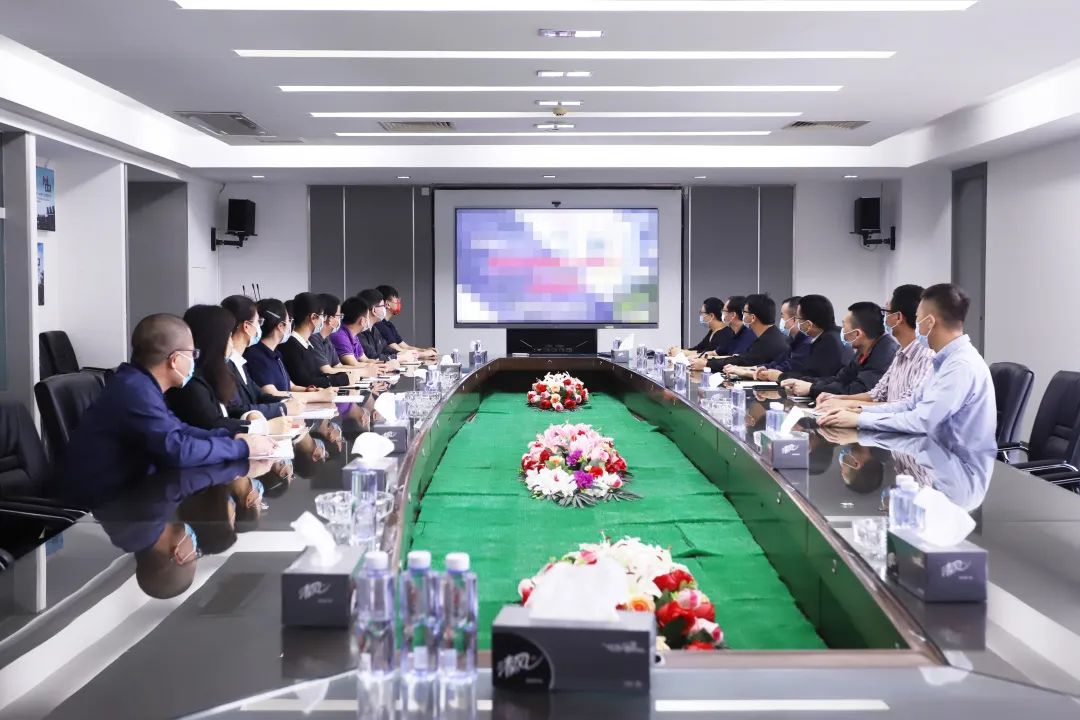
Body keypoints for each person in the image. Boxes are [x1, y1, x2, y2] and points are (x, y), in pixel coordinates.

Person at [53, 314, 275, 499]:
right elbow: (177, 450)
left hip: (129, 494)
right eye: (192, 354)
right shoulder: (135, 391)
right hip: (102, 504)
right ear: (175, 359)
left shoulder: (141, 384)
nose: (194, 361)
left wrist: (233, 437)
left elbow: (179, 430)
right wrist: (242, 448)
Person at [819, 284, 997, 453]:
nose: (915, 322)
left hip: (956, 463)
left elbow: (922, 421)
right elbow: (910, 405)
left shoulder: (961, 365)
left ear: (929, 322)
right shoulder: (943, 360)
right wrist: (858, 411)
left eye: (918, 317)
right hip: (932, 455)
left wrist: (860, 419)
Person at [817, 285, 935, 412]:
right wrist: (837, 399)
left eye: (886, 312)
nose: (884, 318)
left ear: (898, 317)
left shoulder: (926, 357)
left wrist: (850, 406)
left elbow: (906, 407)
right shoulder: (900, 352)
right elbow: (877, 394)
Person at [781, 301, 897, 399]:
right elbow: (840, 379)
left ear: (857, 334)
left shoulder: (885, 353)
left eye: (844, 326)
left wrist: (812, 389)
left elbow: (857, 390)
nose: (842, 330)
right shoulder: (864, 349)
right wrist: (804, 383)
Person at [221, 295, 305, 419]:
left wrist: (286, 401)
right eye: (258, 322)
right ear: (246, 326)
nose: (260, 327)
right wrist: (283, 408)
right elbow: (236, 410)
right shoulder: (226, 365)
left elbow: (259, 395)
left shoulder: (239, 362)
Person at [243, 298, 336, 402]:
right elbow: (272, 394)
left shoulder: (276, 354)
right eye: (289, 321)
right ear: (281, 326)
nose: (291, 325)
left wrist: (310, 390)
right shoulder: (256, 356)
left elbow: (291, 386)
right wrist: (317, 396)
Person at [278, 292, 353, 388]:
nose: (323, 320)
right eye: (322, 316)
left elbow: (317, 375)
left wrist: (344, 376)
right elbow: (305, 381)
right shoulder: (290, 346)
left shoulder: (307, 344)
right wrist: (342, 379)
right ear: (313, 317)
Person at [696, 294, 787, 372]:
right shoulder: (769, 336)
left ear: (753, 318)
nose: (741, 315)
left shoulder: (767, 342)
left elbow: (743, 361)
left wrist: (707, 364)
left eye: (744, 312)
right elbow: (741, 359)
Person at [727, 296, 811, 379]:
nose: (781, 320)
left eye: (782, 316)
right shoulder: (793, 342)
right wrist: (743, 369)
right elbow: (775, 365)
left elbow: (784, 371)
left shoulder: (806, 344)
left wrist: (746, 372)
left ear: (795, 320)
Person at [310, 293, 365, 382]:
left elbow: (338, 366)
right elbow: (327, 370)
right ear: (329, 319)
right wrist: (362, 372)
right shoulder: (313, 339)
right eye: (339, 316)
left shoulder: (327, 339)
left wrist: (366, 369)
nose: (340, 320)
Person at [375, 285, 437, 359]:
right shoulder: (379, 325)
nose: (399, 303)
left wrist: (424, 350)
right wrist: (423, 354)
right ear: (387, 304)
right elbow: (397, 350)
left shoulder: (389, 325)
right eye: (396, 300)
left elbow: (406, 347)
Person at [330, 295, 382, 372]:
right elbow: (353, 364)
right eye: (368, 317)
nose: (369, 320)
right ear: (362, 321)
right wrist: (379, 367)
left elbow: (365, 360)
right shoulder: (339, 335)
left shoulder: (353, 335)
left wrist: (385, 364)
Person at [357, 288, 397, 362]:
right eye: (383, 306)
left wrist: (401, 354)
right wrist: (397, 358)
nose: (385, 309)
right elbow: (373, 357)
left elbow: (385, 349)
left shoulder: (374, 329)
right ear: (374, 310)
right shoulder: (358, 332)